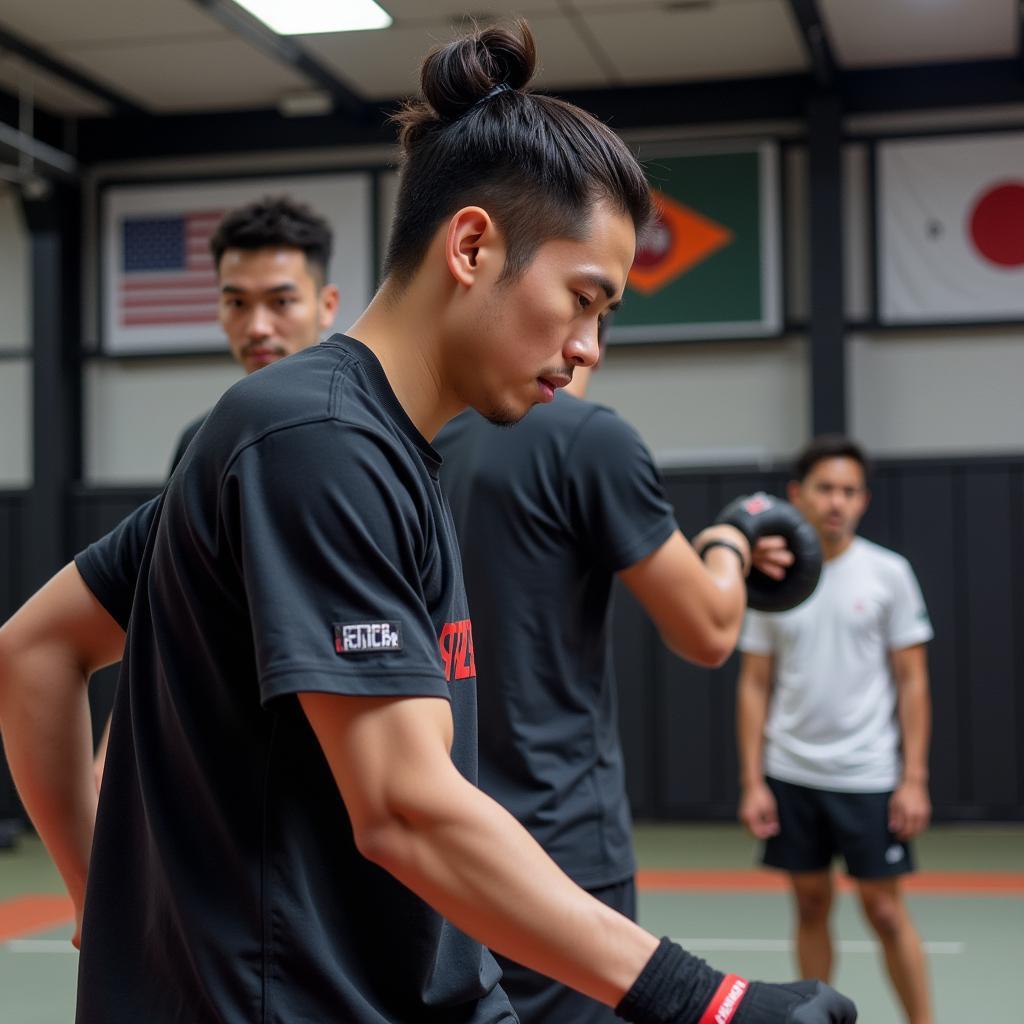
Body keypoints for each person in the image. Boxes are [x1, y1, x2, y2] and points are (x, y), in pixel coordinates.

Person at [0, 20, 856, 1024]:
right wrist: (705, 1001)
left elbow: (35, 648)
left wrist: (109, 903)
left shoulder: (362, 443)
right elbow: (402, 804)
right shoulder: (313, 440)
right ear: (471, 244)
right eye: (583, 300)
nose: (587, 348)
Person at [434, 331, 793, 1023]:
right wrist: (730, 541)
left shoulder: (419, 436)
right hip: (559, 842)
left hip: (437, 839)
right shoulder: (584, 436)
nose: (587, 345)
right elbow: (710, 631)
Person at [90, 194, 341, 783]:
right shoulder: (201, 443)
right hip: (223, 768)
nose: (258, 327)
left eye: (281, 301)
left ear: (325, 305)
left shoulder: (362, 433)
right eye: (237, 302)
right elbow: (162, 610)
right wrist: (111, 755)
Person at [736, 435, 934, 1024]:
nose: (836, 502)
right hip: (792, 771)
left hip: (869, 775)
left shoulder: (889, 574)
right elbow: (753, 684)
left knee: (885, 911)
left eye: (849, 491)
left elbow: (913, 682)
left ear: (863, 500)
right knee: (810, 903)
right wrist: (753, 781)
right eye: (825, 488)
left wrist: (914, 778)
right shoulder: (771, 581)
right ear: (798, 495)